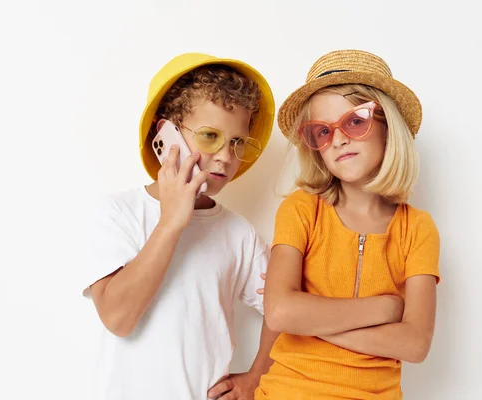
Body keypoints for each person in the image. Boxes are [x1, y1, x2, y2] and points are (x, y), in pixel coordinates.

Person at [81, 53, 279, 400]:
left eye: (237, 142)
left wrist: (258, 374)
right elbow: (118, 318)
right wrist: (171, 222)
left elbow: (284, 308)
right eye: (209, 135)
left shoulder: (239, 234)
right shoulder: (117, 213)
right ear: (165, 134)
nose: (225, 156)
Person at [256, 49, 441, 399]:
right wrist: (384, 309)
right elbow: (280, 312)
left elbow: (415, 344)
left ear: (389, 127)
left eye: (355, 121)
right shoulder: (301, 209)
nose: (338, 139)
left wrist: (309, 319)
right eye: (322, 131)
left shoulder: (417, 228)